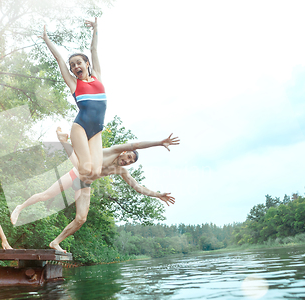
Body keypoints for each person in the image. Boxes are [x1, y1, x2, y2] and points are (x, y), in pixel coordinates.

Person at [11, 128, 180, 252]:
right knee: (47, 195)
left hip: (84, 185)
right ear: (125, 152)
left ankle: (55, 242)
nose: (127, 161)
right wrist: (159, 142)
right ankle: (20, 207)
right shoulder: (113, 150)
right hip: (76, 173)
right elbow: (137, 144)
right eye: (128, 157)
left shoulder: (121, 171)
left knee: (81, 219)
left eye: (130, 162)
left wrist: (158, 195)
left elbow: (138, 187)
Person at [41, 18, 105, 185]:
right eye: (72, 65)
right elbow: (59, 60)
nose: (76, 66)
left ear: (87, 64)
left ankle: (77, 174)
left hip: (97, 130)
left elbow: (94, 49)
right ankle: (64, 143)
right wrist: (47, 40)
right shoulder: (74, 83)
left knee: (96, 172)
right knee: (85, 171)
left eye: (79, 63)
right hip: (81, 127)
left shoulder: (97, 75)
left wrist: (95, 29)